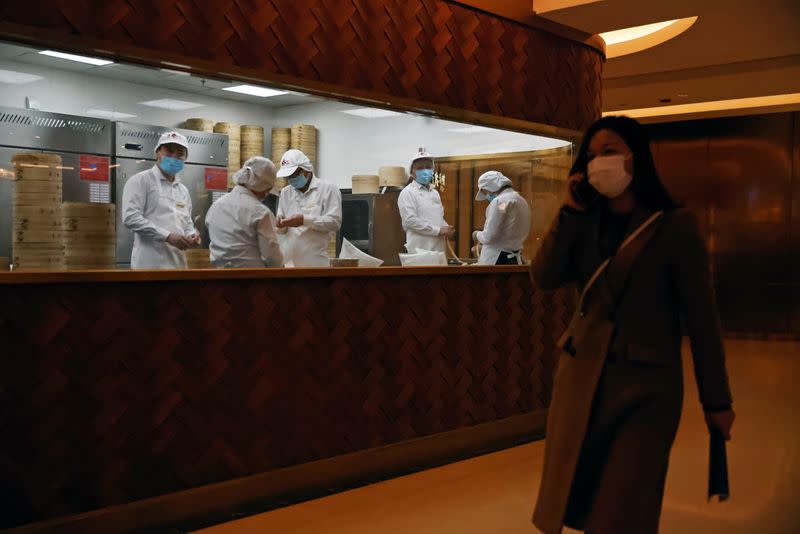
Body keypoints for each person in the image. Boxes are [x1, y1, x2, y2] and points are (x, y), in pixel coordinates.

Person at [530, 116, 735, 534]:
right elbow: (544, 277)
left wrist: (716, 400)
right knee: (585, 499)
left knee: (622, 511)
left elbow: (701, 318)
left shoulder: (674, 226)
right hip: (582, 382)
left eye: (609, 152)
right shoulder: (584, 221)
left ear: (635, 157)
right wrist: (569, 213)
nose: (599, 163)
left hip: (647, 391)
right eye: (591, 156)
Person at [122, 131, 200, 269]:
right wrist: (167, 236)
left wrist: (192, 235)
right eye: (169, 151)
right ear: (157, 152)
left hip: (178, 266)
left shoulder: (183, 190)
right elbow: (130, 217)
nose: (174, 157)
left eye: (180, 153)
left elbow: (187, 223)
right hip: (149, 266)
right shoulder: (141, 180)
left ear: (185, 157)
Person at [205, 156, 283, 268]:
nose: (267, 193)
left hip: (218, 280)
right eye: (269, 189)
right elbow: (273, 259)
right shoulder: (260, 212)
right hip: (252, 281)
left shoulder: (216, 206)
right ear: (264, 187)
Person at [275, 149, 342, 267]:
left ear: (306, 170)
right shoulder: (286, 193)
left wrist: (303, 220)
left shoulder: (328, 189)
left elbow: (334, 222)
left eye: (294, 175)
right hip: (289, 264)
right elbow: (282, 231)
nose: (290, 179)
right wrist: (280, 224)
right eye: (288, 177)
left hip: (316, 264)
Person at [397, 148, 454, 253]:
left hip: (439, 250)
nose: (425, 170)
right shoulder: (407, 193)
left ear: (433, 170)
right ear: (411, 172)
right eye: (419, 168)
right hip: (419, 251)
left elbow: (437, 218)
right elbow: (410, 221)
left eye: (428, 167)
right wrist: (438, 231)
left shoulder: (434, 193)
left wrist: (446, 228)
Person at [472, 170, 531, 265]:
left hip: (496, 260)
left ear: (489, 187)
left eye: (485, 191)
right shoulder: (521, 200)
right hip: (514, 260)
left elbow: (489, 236)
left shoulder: (499, 202)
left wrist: (477, 235)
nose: (486, 195)